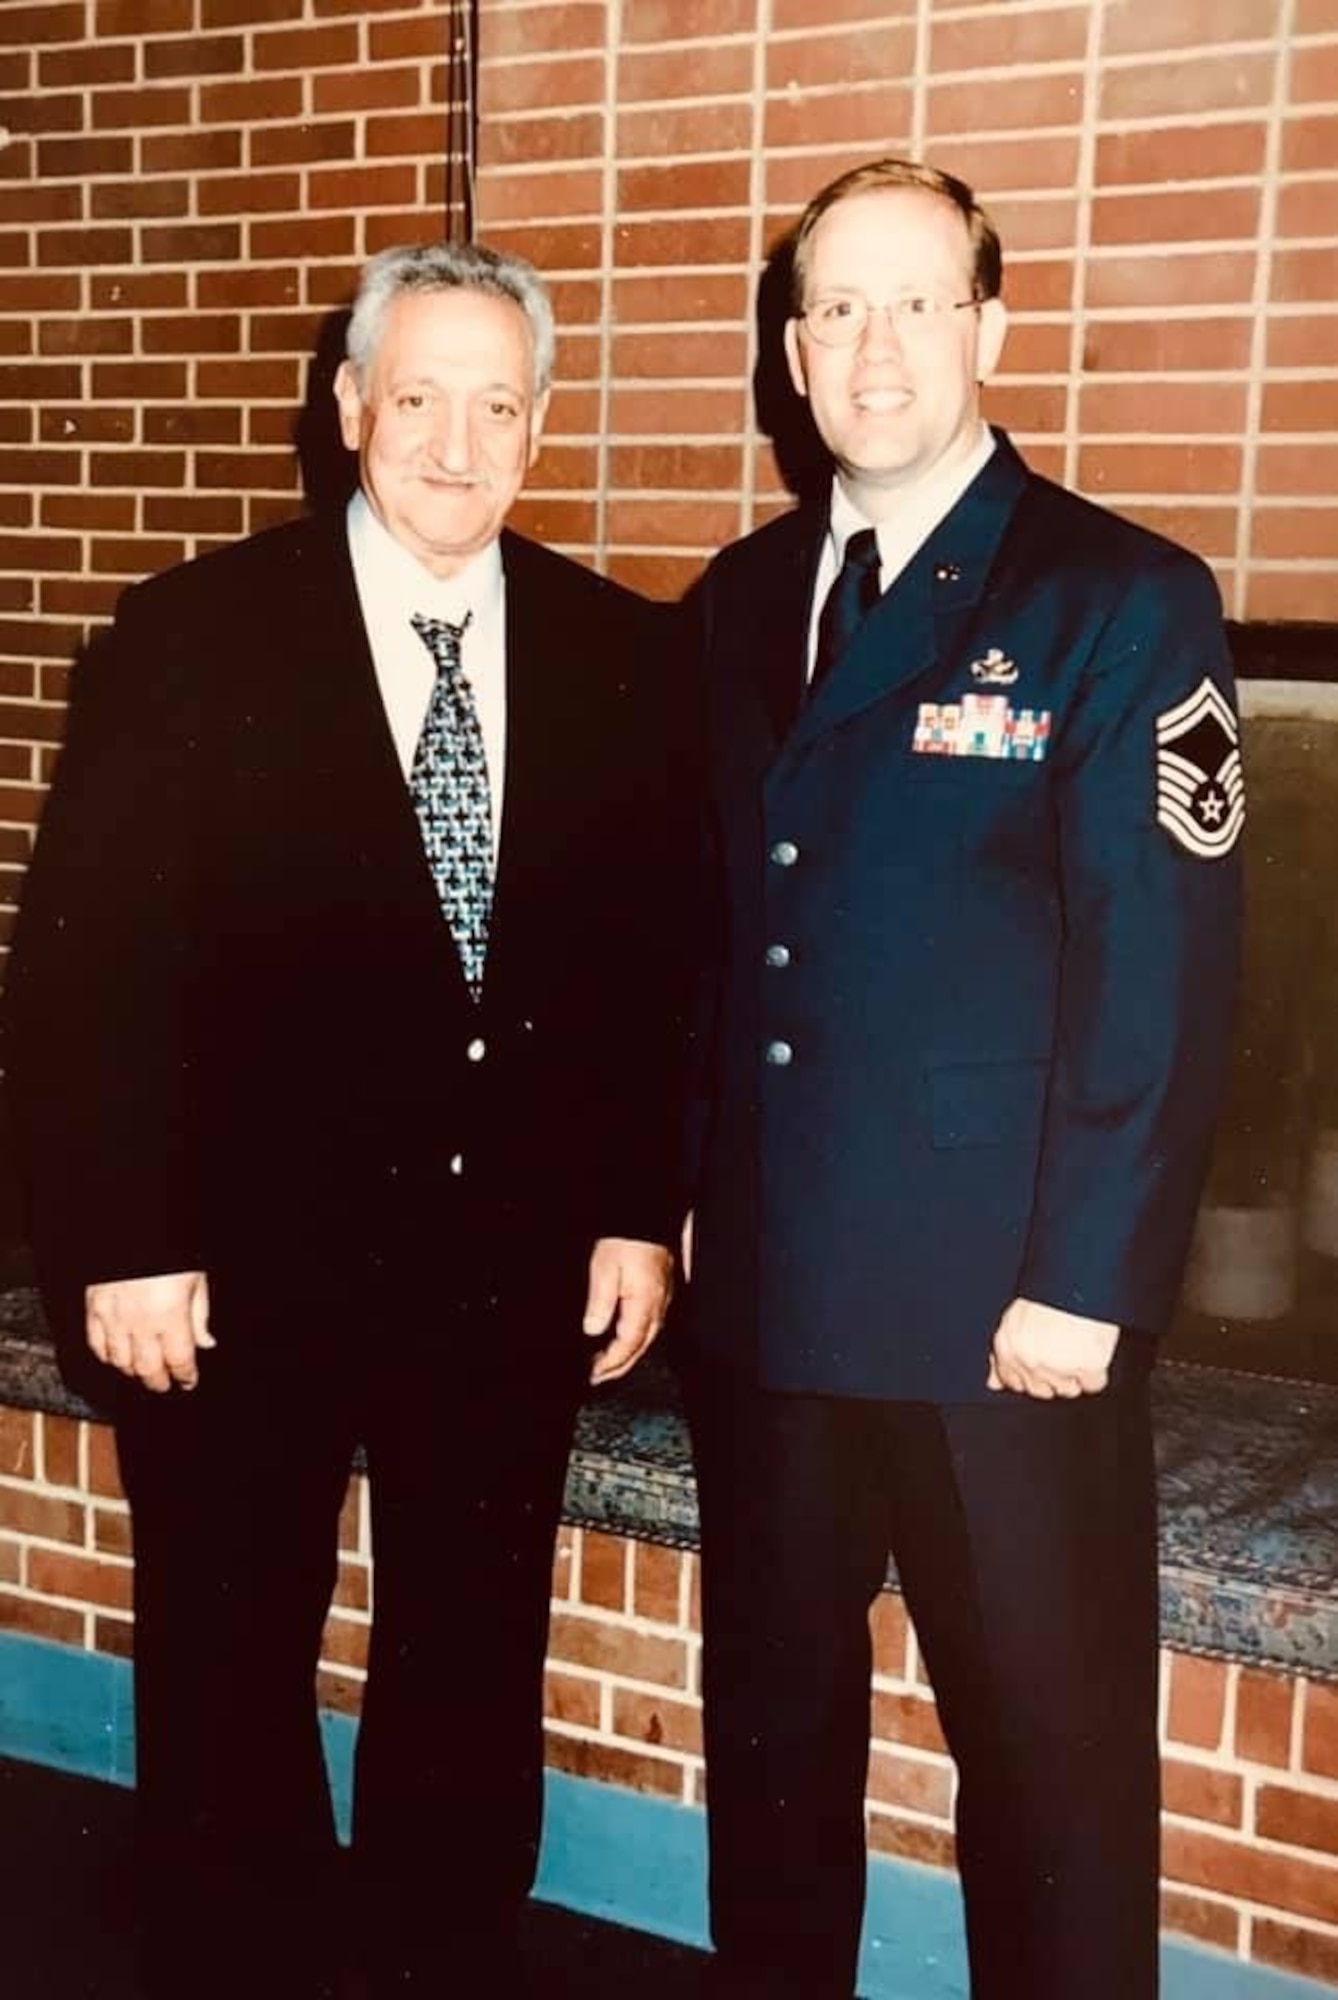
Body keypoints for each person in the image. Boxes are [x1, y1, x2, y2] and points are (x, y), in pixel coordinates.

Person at [3, 241, 692, 2000]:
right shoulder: (189, 638)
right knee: (229, 1664)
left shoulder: (625, 654)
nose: (458, 448)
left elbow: (644, 976)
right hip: (243, 1271)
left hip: (507, 1274)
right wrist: (128, 1243)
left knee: (471, 1663)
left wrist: (632, 1208)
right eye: (419, 401)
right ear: (349, 411)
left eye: (498, 407)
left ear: (537, 426)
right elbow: (91, 973)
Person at [682, 158, 1243, 2000]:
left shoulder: (1113, 598)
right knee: (772, 1765)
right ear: (790, 349)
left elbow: (1153, 974)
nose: (874, 344)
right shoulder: (742, 600)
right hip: (774, 1304)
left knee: (1048, 1786)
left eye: (916, 301)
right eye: (836, 307)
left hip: (1003, 1317)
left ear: (987, 330)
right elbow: (719, 935)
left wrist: (1086, 1279)